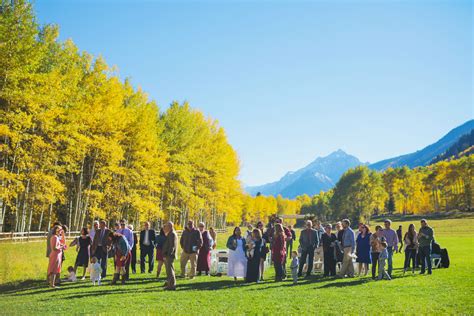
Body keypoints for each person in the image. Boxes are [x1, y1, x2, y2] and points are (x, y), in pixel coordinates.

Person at [162, 221, 178, 290]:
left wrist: (168, 255)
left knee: (170, 271)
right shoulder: (170, 233)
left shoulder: (172, 234)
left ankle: (171, 285)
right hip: (168, 255)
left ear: (170, 226)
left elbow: (172, 246)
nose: (165, 227)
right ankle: (170, 284)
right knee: (169, 270)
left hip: (169, 255)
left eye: (167, 226)